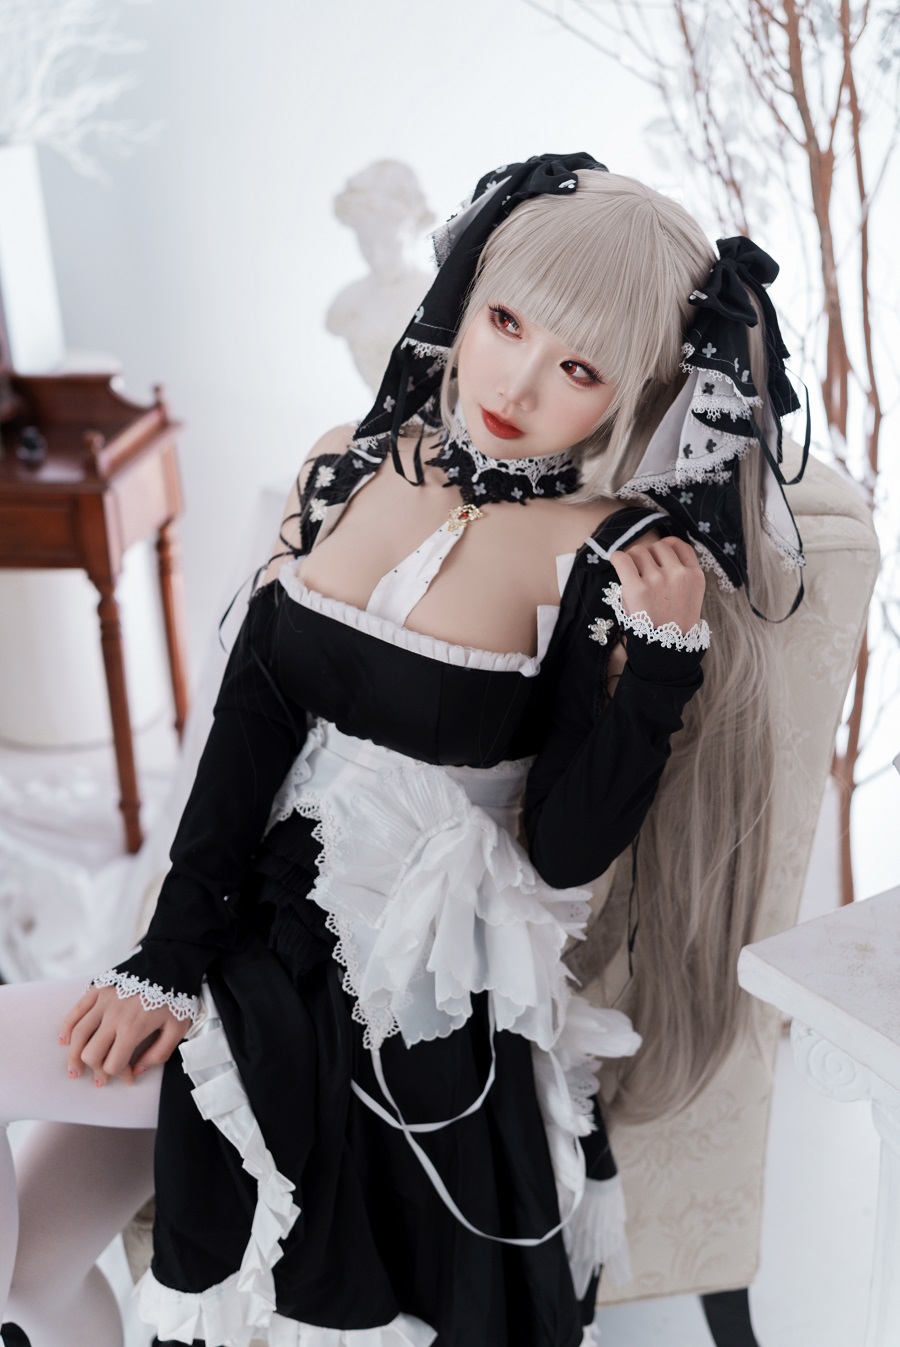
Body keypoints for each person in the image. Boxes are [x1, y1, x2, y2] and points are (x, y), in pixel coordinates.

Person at [0, 154, 805, 1347]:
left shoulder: (611, 558)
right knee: (29, 1274)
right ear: (467, 297)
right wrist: (167, 957)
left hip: (391, 991)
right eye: (505, 321)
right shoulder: (351, 461)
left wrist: (661, 666)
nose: (516, 383)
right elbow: (249, 732)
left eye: (578, 368)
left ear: (637, 391)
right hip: (239, 925)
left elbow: (565, 851)